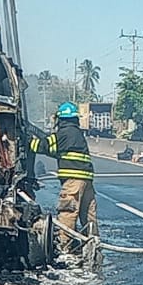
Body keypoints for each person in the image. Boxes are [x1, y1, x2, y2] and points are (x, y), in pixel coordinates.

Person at [29, 102, 97, 253]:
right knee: (88, 214)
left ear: (61, 119)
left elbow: (45, 146)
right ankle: (93, 245)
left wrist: (29, 142)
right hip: (86, 179)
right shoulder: (75, 133)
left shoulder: (65, 133)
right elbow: (55, 149)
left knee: (68, 211)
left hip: (73, 180)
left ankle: (64, 247)